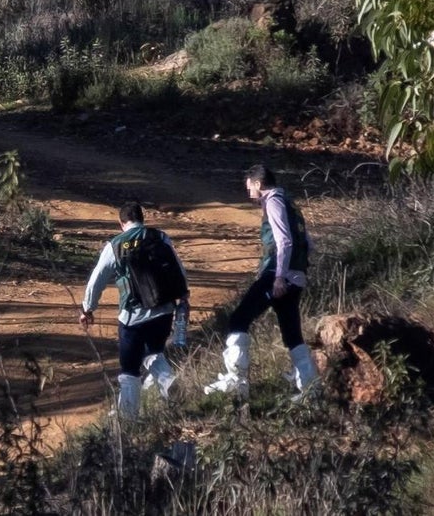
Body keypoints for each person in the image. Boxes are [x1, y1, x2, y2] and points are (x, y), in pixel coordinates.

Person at [204, 164, 319, 400]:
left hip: (278, 275)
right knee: (292, 333)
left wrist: (278, 276)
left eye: (250, 188)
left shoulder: (274, 201)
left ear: (258, 183)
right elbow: (308, 242)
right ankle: (310, 388)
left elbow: (284, 241)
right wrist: (298, 271)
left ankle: (237, 381)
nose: (249, 194)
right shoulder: (290, 203)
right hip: (296, 276)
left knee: (239, 319)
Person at [79, 202, 189, 419]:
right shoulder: (159, 237)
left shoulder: (116, 245)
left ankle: (129, 418)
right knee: (153, 351)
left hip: (133, 316)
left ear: (121, 223)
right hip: (164, 310)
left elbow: (97, 280)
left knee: (129, 368)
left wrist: (87, 308)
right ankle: (167, 381)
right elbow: (177, 266)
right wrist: (183, 294)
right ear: (142, 219)